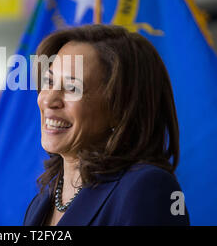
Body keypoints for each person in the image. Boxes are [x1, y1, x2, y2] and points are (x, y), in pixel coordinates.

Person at [23, 24, 190, 226]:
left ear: (120, 109)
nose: (49, 100)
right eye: (49, 82)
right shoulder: (41, 201)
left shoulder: (147, 189)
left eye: (72, 87)